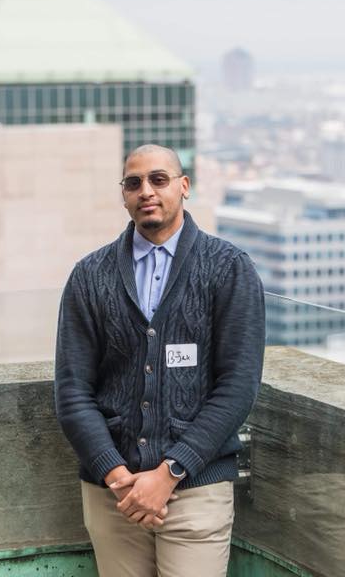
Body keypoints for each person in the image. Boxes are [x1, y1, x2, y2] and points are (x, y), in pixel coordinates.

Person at [55, 144, 265, 576]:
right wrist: (119, 478)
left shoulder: (229, 269)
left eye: (158, 179)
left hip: (196, 492)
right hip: (114, 497)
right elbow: (73, 392)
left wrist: (168, 473)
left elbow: (237, 387)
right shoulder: (89, 276)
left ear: (184, 187)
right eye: (133, 183)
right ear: (124, 195)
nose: (145, 191)